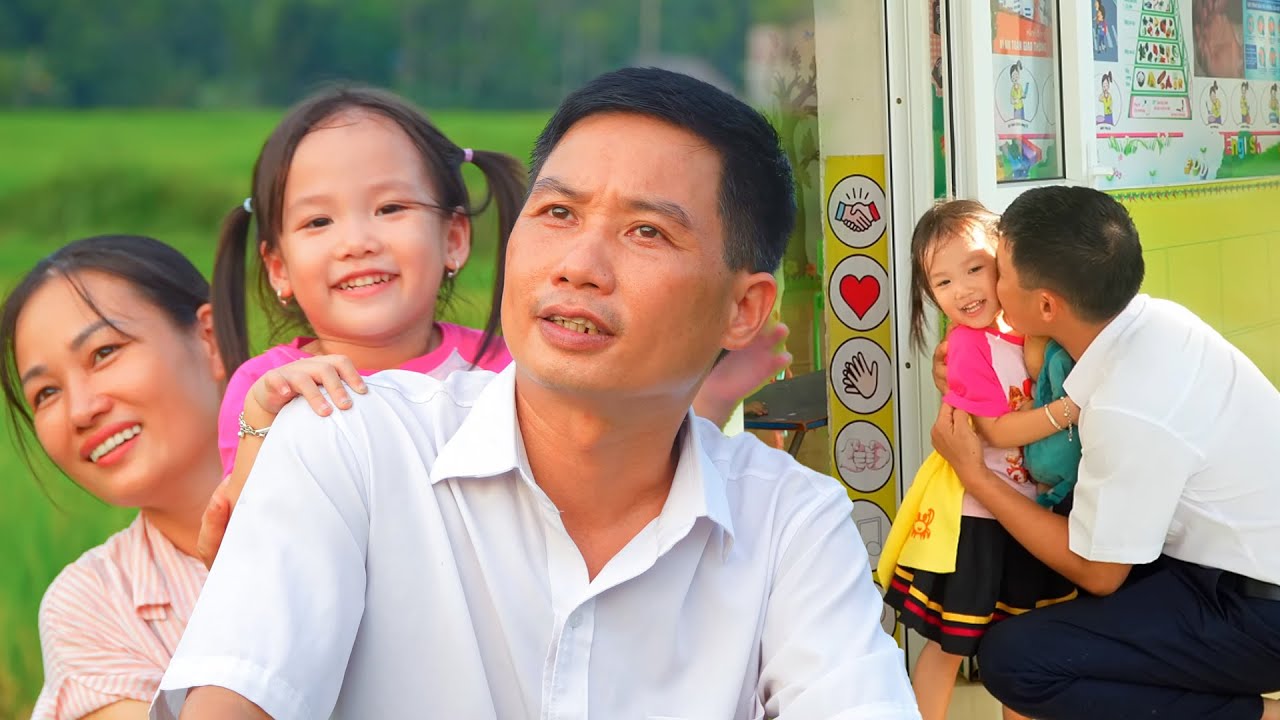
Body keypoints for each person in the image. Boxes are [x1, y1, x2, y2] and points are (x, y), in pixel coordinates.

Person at [151, 67, 920, 720]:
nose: (578, 264)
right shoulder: (344, 445)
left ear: (743, 310)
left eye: (647, 231)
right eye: (556, 213)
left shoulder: (791, 526)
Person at [201, 86, 790, 552]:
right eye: (317, 223)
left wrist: (707, 390)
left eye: (390, 208)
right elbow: (249, 549)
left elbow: (621, 452)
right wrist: (262, 426)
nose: (357, 241)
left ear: (455, 238)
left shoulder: (509, 363)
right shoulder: (271, 392)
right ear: (278, 268)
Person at [929, 186, 1280, 720]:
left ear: (1046, 304)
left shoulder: (1128, 405)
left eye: (997, 271)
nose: (987, 287)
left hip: (1256, 610)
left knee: (1016, 659)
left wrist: (975, 474)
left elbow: (1100, 571)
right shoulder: (1155, 321)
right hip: (1224, 560)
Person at [0, 236, 226, 719]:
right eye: (46, 393)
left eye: (103, 352)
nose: (81, 410)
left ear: (211, 339)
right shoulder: (92, 605)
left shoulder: (361, 479)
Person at [876, 200, 1076, 720]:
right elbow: (995, 429)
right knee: (949, 647)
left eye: (974, 269)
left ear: (1005, 264)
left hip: (1025, 515)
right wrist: (1066, 411)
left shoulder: (1022, 333)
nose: (962, 291)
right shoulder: (967, 346)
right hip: (978, 521)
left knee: (1023, 646)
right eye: (942, 283)